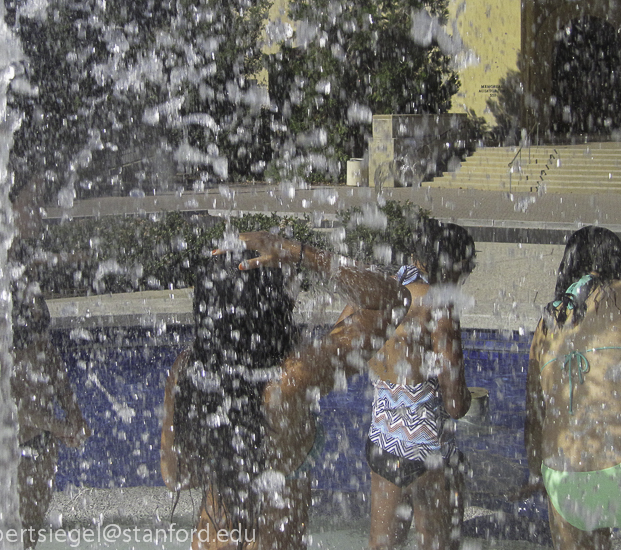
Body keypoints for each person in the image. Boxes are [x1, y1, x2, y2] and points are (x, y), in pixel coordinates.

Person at [161, 240, 410, 550]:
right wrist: (302, 253)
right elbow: (395, 299)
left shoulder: (188, 370)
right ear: (269, 304)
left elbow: (176, 476)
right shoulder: (293, 378)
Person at [524, 226, 621, 550]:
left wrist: (538, 475)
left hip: (567, 481)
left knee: (567, 495)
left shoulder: (548, 321)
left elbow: (534, 415)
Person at [364, 220, 474, 550]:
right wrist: (467, 398)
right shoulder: (437, 304)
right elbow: (455, 404)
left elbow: (350, 347)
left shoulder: (382, 288)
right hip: (429, 450)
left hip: (383, 440)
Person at [10, 178, 91, 548]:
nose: (40, 213)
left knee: (31, 537)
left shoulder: (25, 269)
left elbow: (46, 351)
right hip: (13, 441)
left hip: (42, 438)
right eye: (32, 204)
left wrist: (71, 409)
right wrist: (55, 424)